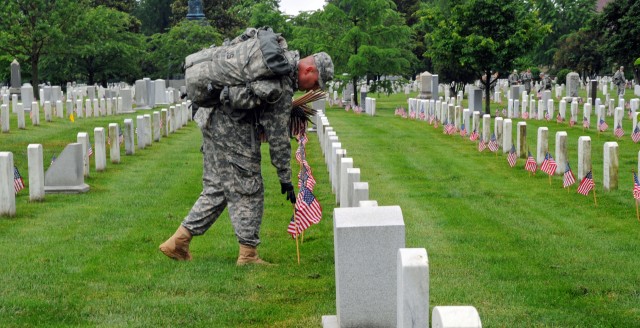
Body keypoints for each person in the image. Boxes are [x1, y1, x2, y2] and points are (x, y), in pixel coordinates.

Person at [159, 38, 334, 265]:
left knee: (217, 187)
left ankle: (178, 242)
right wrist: (285, 179)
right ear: (309, 69)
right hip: (233, 127)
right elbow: (278, 137)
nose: (312, 88)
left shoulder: (275, 57)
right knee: (249, 188)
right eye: (316, 82)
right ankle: (248, 254)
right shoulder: (281, 81)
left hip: (211, 117)